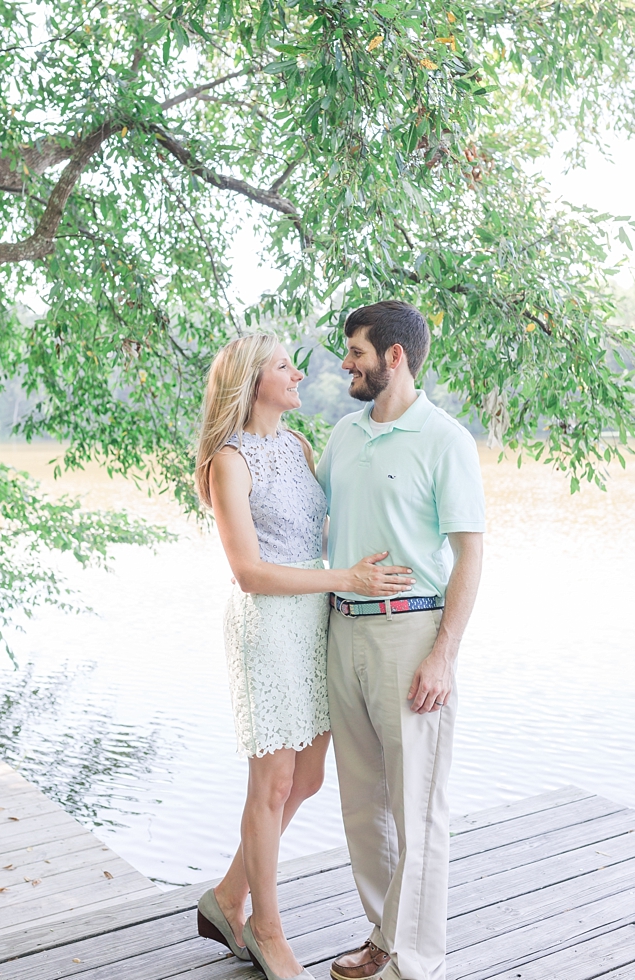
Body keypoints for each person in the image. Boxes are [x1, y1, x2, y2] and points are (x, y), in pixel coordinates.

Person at [194, 333, 415, 980]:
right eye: (284, 366)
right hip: (267, 626)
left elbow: (316, 530)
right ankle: (265, 928)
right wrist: (346, 579)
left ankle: (226, 896)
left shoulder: (295, 445)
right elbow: (250, 573)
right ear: (251, 381)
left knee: (309, 778)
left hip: (316, 619)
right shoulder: (228, 461)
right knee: (273, 784)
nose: (299, 373)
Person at [316, 302, 485, 980]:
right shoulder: (342, 436)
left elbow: (470, 555)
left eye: (354, 351)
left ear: (392, 357)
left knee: (417, 807)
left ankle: (413, 960)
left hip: (411, 634)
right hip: (342, 631)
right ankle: (383, 938)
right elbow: (315, 524)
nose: (345, 364)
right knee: (362, 806)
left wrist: (442, 654)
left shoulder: (445, 439)